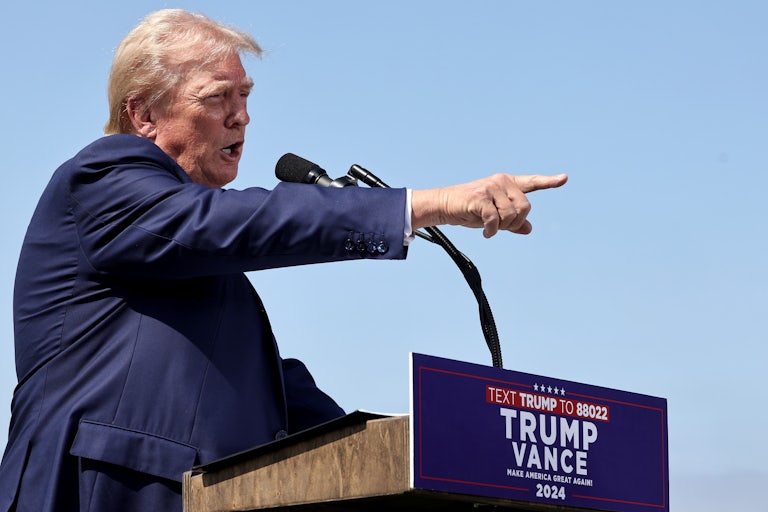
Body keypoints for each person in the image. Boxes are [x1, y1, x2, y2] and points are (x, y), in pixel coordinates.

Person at [0, 9, 567, 512]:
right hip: (107, 490)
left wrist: (432, 457)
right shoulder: (103, 179)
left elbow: (281, 403)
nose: (241, 116)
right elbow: (245, 222)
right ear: (144, 113)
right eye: (218, 96)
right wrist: (424, 206)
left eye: (245, 95)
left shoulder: (211, 275)